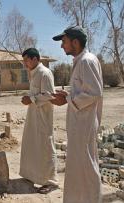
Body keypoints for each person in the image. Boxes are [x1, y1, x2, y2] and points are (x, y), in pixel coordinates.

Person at [52, 25, 103, 203]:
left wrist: (68, 100)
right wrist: (67, 96)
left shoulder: (86, 61)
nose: (61, 46)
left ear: (75, 42)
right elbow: (83, 91)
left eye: (64, 42)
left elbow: (95, 92)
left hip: (84, 124)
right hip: (79, 124)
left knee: (87, 168)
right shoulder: (81, 61)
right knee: (79, 168)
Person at [19, 48, 58, 194]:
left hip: (43, 117)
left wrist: (31, 99)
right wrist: (29, 98)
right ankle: (33, 176)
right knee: (32, 145)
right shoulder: (33, 74)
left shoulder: (45, 73)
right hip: (33, 115)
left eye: (26, 60)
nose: (25, 64)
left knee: (45, 147)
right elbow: (37, 93)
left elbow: (49, 95)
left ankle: (51, 182)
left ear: (35, 59)